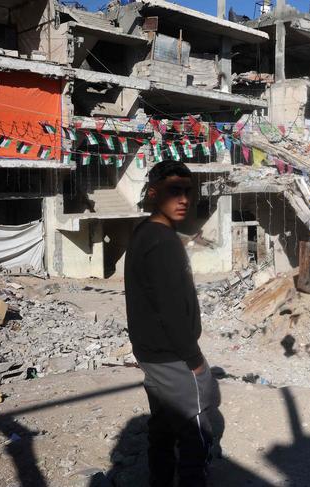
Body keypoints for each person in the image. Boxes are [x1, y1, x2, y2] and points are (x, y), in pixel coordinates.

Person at [125, 160, 217, 486]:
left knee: (163, 429)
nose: (184, 199)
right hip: (172, 355)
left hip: (151, 352)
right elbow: (170, 309)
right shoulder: (162, 242)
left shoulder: (144, 232)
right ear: (153, 194)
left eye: (187, 192)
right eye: (173, 191)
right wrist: (194, 361)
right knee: (197, 433)